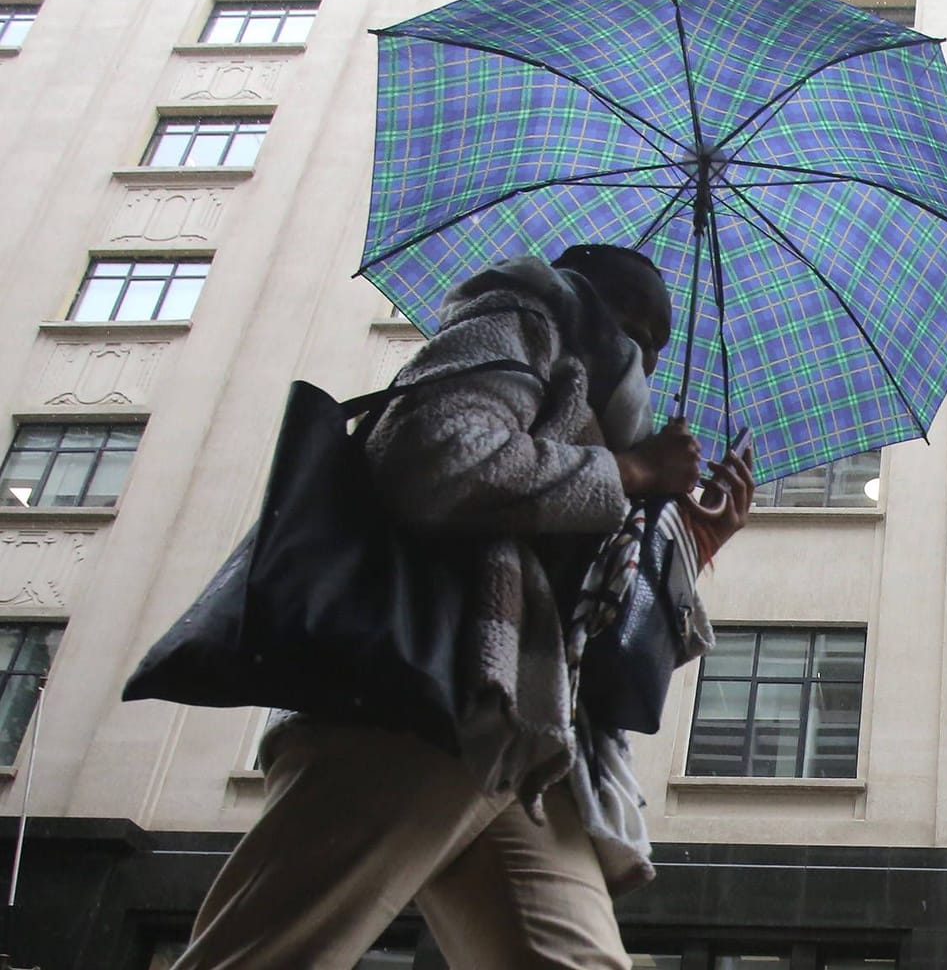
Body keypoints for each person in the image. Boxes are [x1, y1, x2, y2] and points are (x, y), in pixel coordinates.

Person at [172, 244, 753, 969]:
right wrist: (630, 471)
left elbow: (583, 605)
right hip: (423, 699)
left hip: (528, 735)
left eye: (658, 338)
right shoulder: (516, 320)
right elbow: (433, 457)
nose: (643, 345)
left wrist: (691, 543)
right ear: (577, 290)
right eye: (628, 315)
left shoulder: (609, 413)